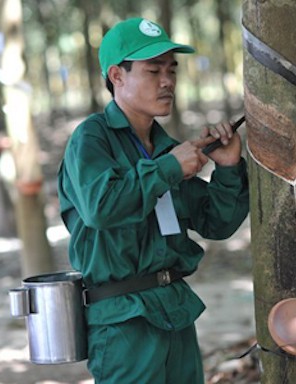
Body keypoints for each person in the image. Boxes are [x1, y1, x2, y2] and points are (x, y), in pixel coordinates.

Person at [57, 17, 249, 384]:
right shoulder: (92, 138)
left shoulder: (164, 147)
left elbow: (217, 224)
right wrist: (167, 169)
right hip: (123, 320)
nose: (167, 81)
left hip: (174, 310)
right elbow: (101, 208)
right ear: (117, 76)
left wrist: (227, 168)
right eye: (153, 70)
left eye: (171, 70)